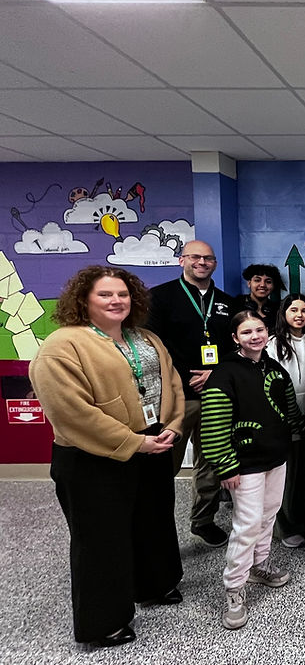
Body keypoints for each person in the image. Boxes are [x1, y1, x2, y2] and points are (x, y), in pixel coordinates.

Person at [30, 266, 184, 647]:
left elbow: (173, 383)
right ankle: (103, 622)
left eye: (123, 294)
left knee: (154, 520)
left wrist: (174, 424)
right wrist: (135, 443)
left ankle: (154, 585)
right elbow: (71, 412)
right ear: (83, 300)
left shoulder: (145, 337)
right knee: (101, 539)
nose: (116, 301)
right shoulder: (62, 345)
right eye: (105, 295)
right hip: (93, 458)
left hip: (154, 443)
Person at [200, 310, 305, 630]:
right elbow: (214, 425)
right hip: (243, 465)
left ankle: (259, 566)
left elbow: (290, 413)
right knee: (246, 523)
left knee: (268, 515)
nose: (255, 336)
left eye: (259, 329)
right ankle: (234, 589)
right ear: (235, 338)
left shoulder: (275, 369)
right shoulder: (225, 373)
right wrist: (225, 465)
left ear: (267, 333)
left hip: (276, 458)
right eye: (246, 332)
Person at [147, 240, 234, 547]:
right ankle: (156, 527)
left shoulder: (226, 302)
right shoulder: (159, 298)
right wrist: (185, 377)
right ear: (182, 259)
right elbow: (152, 348)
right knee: (163, 463)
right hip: (176, 397)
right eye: (195, 257)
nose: (202, 262)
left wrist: (216, 372)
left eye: (208, 258)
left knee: (210, 463)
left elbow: (236, 349)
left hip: (216, 395)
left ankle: (203, 520)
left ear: (215, 263)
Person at [267, 294, 305, 548]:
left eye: (304, 310)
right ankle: (286, 526)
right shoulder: (273, 344)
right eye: (293, 310)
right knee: (288, 475)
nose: (299, 315)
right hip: (285, 418)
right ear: (284, 313)